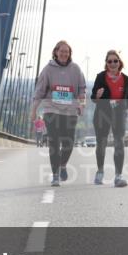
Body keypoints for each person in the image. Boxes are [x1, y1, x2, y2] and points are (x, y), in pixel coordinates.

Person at [31, 40, 87, 187]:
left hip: (70, 112)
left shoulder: (75, 69)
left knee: (69, 142)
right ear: (56, 52)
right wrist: (34, 110)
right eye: (61, 51)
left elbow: (82, 89)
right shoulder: (48, 69)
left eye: (66, 52)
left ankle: (62, 165)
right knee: (54, 143)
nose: (64, 54)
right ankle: (55, 175)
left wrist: (82, 103)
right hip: (52, 111)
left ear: (70, 54)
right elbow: (39, 91)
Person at [90, 50, 128, 187]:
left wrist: (123, 108)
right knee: (101, 143)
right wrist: (97, 95)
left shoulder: (127, 80)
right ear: (106, 64)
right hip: (102, 114)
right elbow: (93, 99)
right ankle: (100, 171)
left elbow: (127, 101)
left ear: (120, 62)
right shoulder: (101, 77)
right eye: (110, 61)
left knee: (119, 142)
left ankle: (118, 176)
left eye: (115, 61)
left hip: (119, 115)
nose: (113, 63)